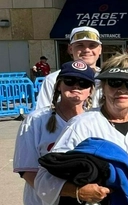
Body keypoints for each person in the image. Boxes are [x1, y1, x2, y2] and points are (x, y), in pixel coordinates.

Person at [34, 54, 128, 204]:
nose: (122, 89)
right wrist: (77, 191)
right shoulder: (82, 125)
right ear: (103, 86)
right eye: (115, 82)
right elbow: (43, 180)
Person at [13, 60, 95, 205]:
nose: (76, 86)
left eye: (84, 83)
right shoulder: (35, 121)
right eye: (70, 80)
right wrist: (71, 192)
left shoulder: (96, 121)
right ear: (58, 85)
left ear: (91, 90)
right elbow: (27, 171)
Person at [36, 26, 102, 109]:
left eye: (92, 45)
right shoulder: (53, 79)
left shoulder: (108, 80)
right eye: (80, 45)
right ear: (70, 49)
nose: (86, 50)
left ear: (100, 49)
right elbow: (41, 115)